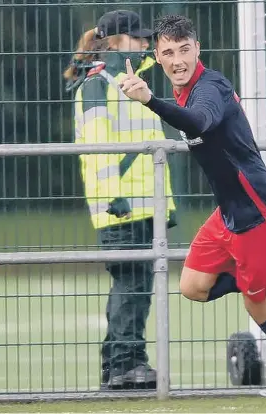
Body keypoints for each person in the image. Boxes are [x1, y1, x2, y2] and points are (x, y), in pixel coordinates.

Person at [119, 14, 266, 407]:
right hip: (229, 213)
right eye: (168, 53)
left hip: (260, 213)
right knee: (193, 287)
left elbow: (199, 121)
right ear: (156, 57)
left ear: (197, 49)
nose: (178, 60)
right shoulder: (184, 90)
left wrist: (149, 100)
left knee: (259, 305)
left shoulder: (212, 86)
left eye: (184, 50)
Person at [64, 10, 178, 391]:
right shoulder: (100, 84)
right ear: (115, 42)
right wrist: (115, 196)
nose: (146, 44)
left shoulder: (125, 81)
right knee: (131, 286)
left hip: (140, 203)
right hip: (121, 206)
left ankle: (124, 365)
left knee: (135, 286)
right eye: (138, 38)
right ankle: (124, 365)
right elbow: (98, 148)